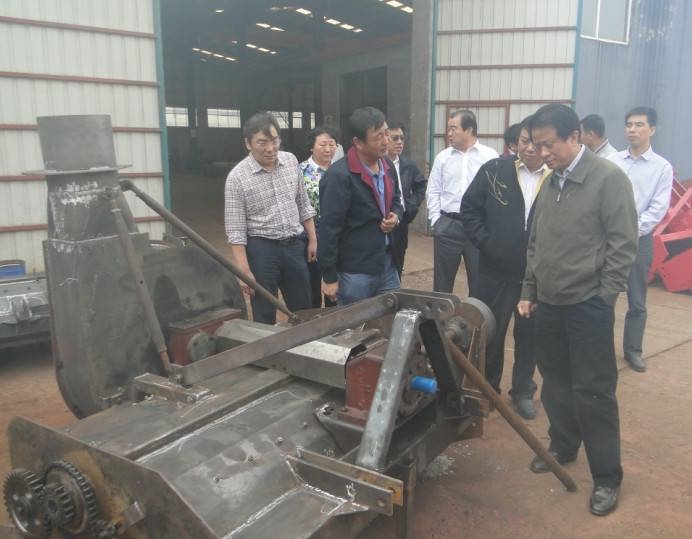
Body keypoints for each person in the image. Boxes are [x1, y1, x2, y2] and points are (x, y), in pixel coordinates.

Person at [518, 104, 638, 516]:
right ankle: (564, 445)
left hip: (588, 305)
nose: (541, 153)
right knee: (555, 382)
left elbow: (623, 243)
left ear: (575, 137)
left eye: (548, 144)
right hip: (549, 304)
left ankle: (607, 477)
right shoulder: (551, 181)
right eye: (536, 145)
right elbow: (536, 242)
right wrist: (530, 288)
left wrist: (605, 297)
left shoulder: (608, 179)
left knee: (594, 391)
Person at [461, 118, 551, 419]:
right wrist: (487, 243)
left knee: (529, 336)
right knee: (490, 332)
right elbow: (470, 209)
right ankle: (487, 391)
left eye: (536, 142)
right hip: (495, 271)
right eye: (524, 141)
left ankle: (523, 391)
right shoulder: (495, 171)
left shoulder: (556, 177)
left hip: (534, 277)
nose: (530, 148)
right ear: (516, 143)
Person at [224, 112, 317, 324]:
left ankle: (305, 344)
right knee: (264, 311)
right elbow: (236, 230)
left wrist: (312, 238)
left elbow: (303, 203)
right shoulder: (237, 178)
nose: (270, 148)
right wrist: (244, 270)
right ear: (248, 143)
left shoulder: (290, 161)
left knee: (304, 308)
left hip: (294, 246)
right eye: (262, 142)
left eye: (274, 141)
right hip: (261, 251)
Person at [608, 106, 674, 372]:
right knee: (605, 296)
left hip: (639, 240)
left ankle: (633, 350)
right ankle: (600, 349)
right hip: (608, 240)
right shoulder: (612, 161)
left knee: (637, 300)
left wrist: (629, 230)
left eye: (638, 125)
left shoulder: (662, 167)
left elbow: (658, 209)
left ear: (652, 129)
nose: (632, 130)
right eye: (629, 125)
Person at [318, 107, 403, 306]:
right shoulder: (339, 176)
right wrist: (329, 276)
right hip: (355, 273)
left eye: (386, 133)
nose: (386, 141)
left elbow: (396, 199)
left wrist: (395, 215)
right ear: (358, 142)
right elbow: (329, 229)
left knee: (391, 318)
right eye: (378, 137)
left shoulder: (387, 166)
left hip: (387, 265)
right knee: (355, 323)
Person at [426, 110, 498, 295]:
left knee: (479, 281)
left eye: (453, 128)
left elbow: (497, 193)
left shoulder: (490, 157)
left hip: (478, 226)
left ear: (469, 130)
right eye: (448, 129)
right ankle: (440, 314)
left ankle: (476, 314)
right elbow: (433, 190)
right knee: (442, 284)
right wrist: (436, 221)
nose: (449, 133)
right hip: (448, 225)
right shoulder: (443, 158)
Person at [300, 126, 340, 308]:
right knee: (312, 287)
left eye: (332, 144)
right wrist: (311, 238)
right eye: (323, 144)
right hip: (309, 237)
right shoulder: (300, 171)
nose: (328, 149)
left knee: (334, 288)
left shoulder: (341, 171)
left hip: (336, 238)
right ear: (311, 147)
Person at [386, 122, 427, 278]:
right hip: (379, 222)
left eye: (402, 138)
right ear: (385, 138)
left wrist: (410, 206)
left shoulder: (408, 165)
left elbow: (421, 186)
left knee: (397, 263)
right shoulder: (376, 163)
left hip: (400, 222)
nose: (399, 142)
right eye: (395, 138)